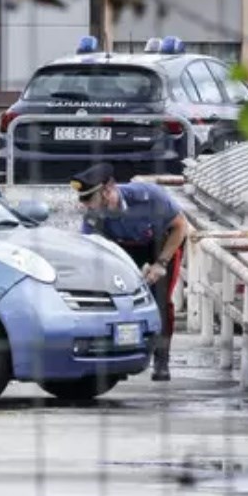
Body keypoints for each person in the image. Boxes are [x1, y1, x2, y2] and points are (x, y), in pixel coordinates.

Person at [70, 163, 192, 382]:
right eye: (85, 203)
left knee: (160, 301)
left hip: (161, 244)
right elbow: (91, 249)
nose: (88, 208)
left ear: (107, 192)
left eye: (91, 201)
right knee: (117, 301)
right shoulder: (92, 216)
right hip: (123, 248)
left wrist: (161, 263)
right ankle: (119, 357)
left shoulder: (149, 197)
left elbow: (180, 226)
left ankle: (161, 358)